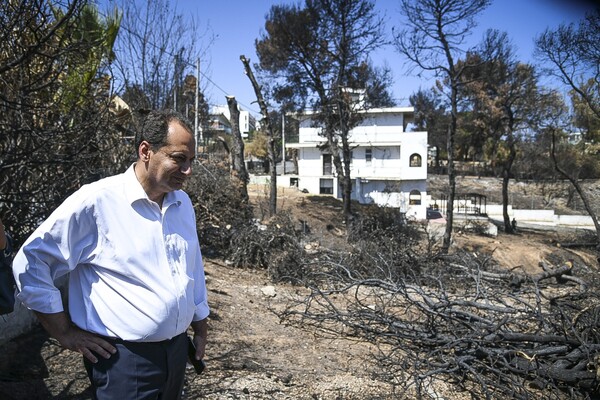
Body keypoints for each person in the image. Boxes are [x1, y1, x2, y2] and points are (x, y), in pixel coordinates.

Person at [12, 109, 209, 400]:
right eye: (179, 158)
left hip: (177, 352)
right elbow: (31, 262)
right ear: (146, 150)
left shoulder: (182, 203)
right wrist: (63, 331)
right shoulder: (97, 202)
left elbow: (192, 266)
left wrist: (200, 325)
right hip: (124, 362)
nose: (188, 170)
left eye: (191, 160)